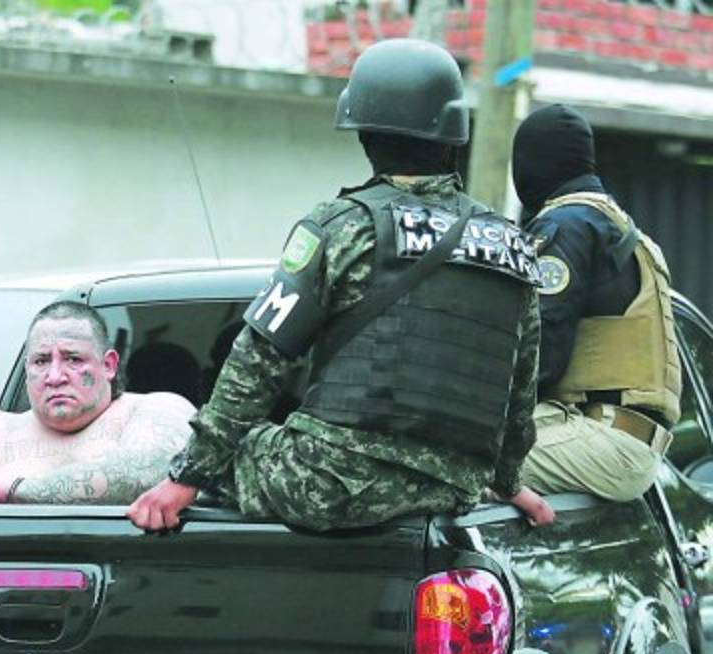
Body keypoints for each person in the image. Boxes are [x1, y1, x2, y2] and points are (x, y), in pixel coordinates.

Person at [129, 38, 555, 534]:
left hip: (330, 484)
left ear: (364, 136)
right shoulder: (510, 245)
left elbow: (256, 362)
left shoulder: (340, 227)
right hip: (447, 490)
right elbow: (519, 391)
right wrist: (507, 482)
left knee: (185, 445)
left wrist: (186, 476)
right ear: (453, 136)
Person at [512, 104, 681, 501]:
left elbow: (539, 349)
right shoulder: (621, 229)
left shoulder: (567, 225)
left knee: (450, 467)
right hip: (624, 441)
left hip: (602, 439)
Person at [0, 301, 196, 504]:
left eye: (72, 359)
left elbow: (151, 470)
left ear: (109, 365)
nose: (55, 376)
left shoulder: (153, 409)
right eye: (41, 361)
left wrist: (20, 490)